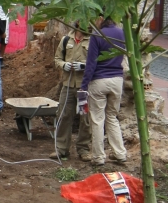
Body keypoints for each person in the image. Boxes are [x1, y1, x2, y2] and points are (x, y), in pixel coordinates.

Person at [79, 15, 127, 168]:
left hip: (99, 80)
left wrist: (84, 85)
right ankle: (120, 153)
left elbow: (91, 63)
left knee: (97, 119)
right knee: (112, 117)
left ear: (101, 18)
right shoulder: (122, 33)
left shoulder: (97, 35)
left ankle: (99, 157)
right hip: (117, 81)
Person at [53, 23, 91, 160]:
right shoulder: (66, 40)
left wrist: (84, 66)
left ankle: (83, 149)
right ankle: (61, 149)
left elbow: (97, 63)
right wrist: (64, 65)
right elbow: (57, 59)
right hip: (67, 85)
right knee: (63, 115)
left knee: (85, 118)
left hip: (84, 87)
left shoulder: (92, 40)